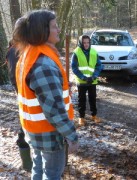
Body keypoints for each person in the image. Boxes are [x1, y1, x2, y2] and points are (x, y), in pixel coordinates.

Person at [13, 10, 78, 179]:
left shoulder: (28, 56)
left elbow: (38, 93)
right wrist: (71, 135)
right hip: (49, 134)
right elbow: (54, 110)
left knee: (39, 170)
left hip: (34, 131)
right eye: (54, 26)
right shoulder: (44, 64)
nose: (58, 30)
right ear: (42, 31)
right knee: (51, 174)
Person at [6, 39, 33, 171]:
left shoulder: (23, 47)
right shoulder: (14, 50)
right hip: (24, 92)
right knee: (26, 122)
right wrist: (22, 90)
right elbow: (14, 75)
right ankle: (27, 161)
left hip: (25, 91)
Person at [71, 35, 102, 126]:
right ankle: (81, 117)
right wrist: (83, 77)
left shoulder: (94, 52)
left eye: (88, 42)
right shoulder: (76, 52)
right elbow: (74, 67)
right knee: (82, 100)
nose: (86, 44)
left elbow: (99, 65)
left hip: (92, 80)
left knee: (93, 98)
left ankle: (94, 115)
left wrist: (94, 76)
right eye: (84, 43)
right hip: (82, 81)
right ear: (81, 43)